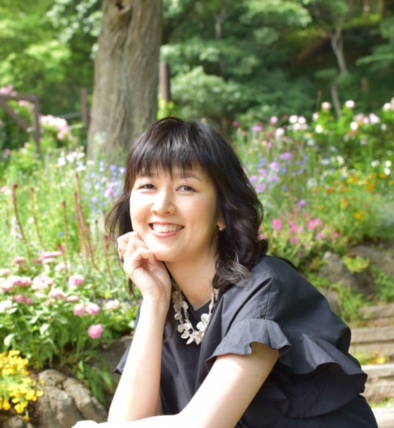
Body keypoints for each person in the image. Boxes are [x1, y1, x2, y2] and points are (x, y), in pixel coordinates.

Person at [73, 117, 377, 428]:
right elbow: (130, 421)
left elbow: (202, 425)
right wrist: (154, 300)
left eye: (186, 187)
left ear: (222, 212)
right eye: (148, 186)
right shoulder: (166, 302)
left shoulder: (264, 288)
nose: (162, 205)